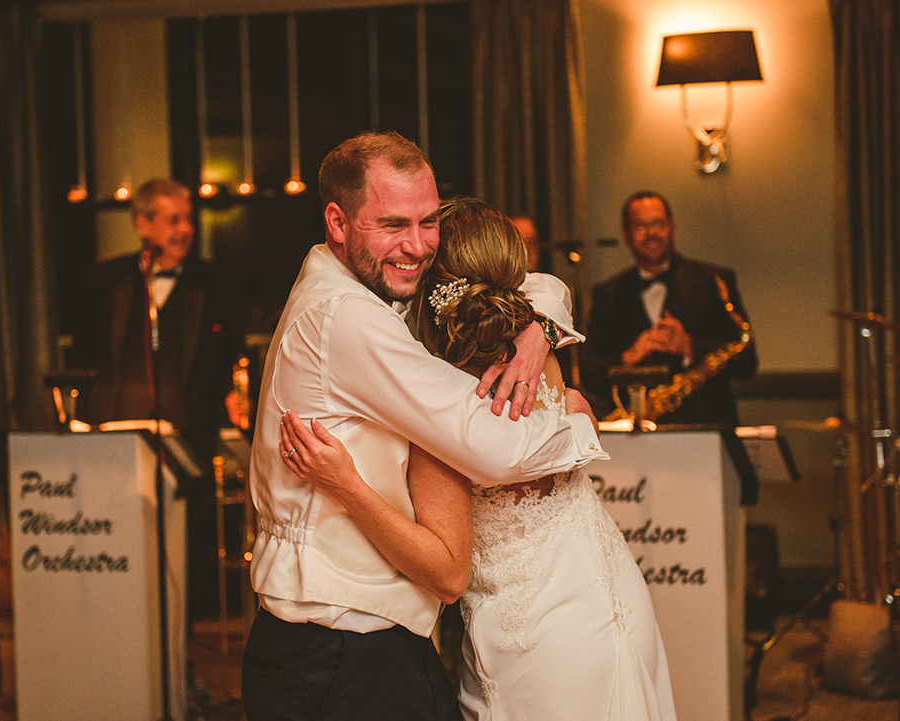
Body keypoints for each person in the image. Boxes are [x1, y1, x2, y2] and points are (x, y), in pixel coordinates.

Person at [242, 131, 607, 721]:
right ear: (338, 221)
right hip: (335, 649)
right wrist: (580, 424)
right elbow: (489, 445)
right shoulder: (346, 318)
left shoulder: (374, 290)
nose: (416, 246)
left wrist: (538, 327)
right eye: (392, 225)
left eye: (428, 221)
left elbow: (538, 284)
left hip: (365, 644)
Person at [279, 196, 676, 721]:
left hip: (532, 635)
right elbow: (548, 289)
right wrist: (555, 367)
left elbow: (447, 569)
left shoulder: (438, 393)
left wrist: (347, 484)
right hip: (613, 597)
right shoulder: (536, 350)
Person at [68, 177, 243, 619]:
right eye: (173, 220)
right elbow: (86, 359)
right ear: (142, 224)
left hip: (186, 440)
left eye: (188, 220)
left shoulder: (217, 284)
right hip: (117, 440)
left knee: (181, 559)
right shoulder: (102, 281)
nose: (184, 229)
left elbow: (228, 357)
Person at [581, 190, 757, 425]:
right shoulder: (607, 294)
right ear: (626, 235)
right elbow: (589, 374)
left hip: (706, 429)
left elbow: (747, 362)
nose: (651, 233)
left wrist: (690, 346)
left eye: (658, 223)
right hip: (634, 436)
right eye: (640, 226)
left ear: (672, 227)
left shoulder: (714, 281)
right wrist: (628, 356)